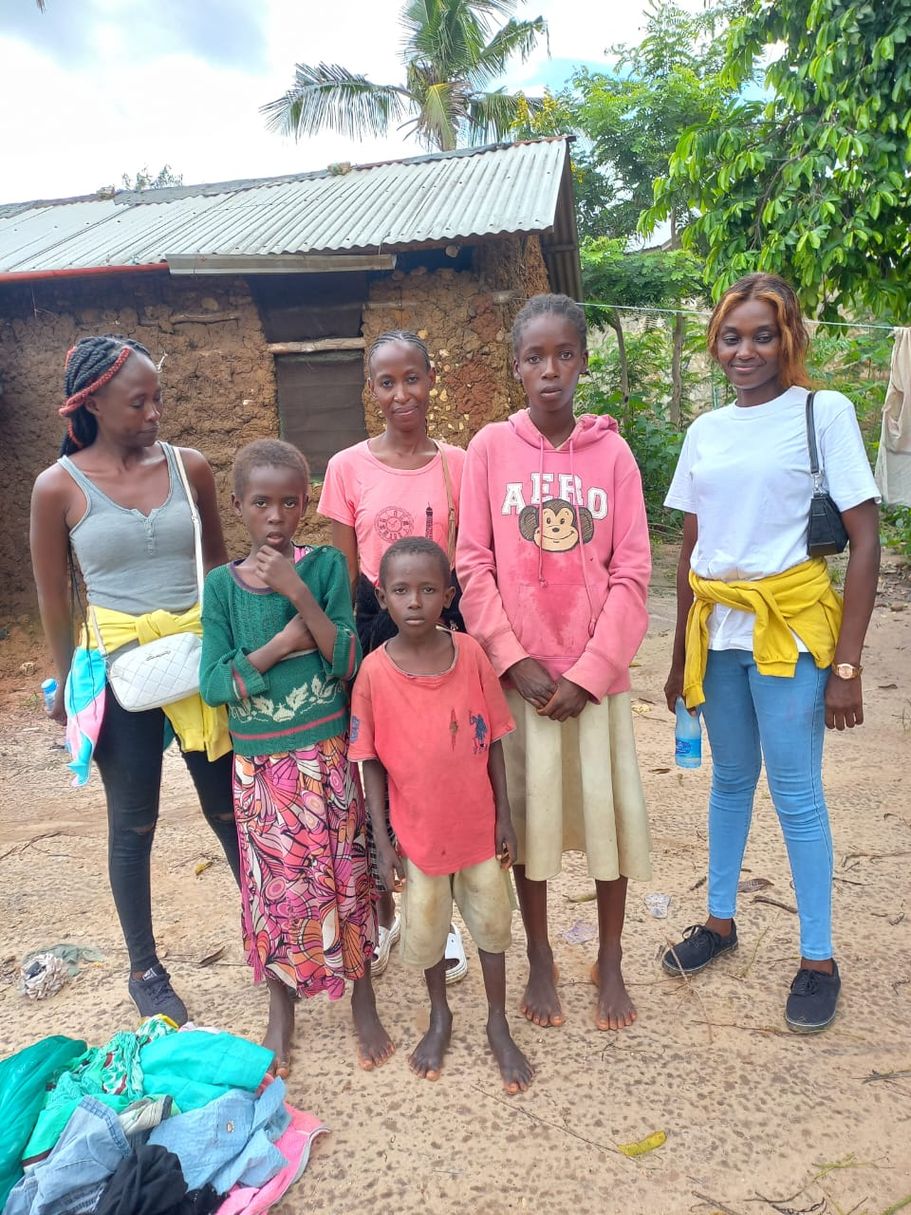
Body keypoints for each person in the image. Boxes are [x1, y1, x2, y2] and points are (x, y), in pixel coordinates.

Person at [661, 272, 881, 1033]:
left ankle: (817, 957)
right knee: (728, 781)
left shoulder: (823, 413)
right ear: (715, 343)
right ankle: (719, 921)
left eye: (763, 334)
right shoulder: (705, 431)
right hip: (718, 632)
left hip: (789, 630)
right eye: (731, 335)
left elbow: (863, 536)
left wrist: (845, 663)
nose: (745, 349)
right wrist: (676, 654)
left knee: (795, 793)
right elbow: (691, 544)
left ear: (789, 339)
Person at [29, 335, 240, 1025]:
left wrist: (230, 646)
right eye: (137, 401)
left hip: (195, 658)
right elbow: (55, 598)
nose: (154, 412)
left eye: (158, 397)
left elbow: (218, 563)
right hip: (118, 671)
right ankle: (145, 969)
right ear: (91, 404)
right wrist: (65, 684)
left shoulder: (190, 468)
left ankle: (272, 932)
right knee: (135, 821)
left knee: (226, 809)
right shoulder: (57, 487)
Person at [457, 293, 653, 1032]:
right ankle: (538, 951)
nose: (549, 370)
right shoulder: (488, 450)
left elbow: (633, 571)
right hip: (522, 684)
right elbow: (472, 563)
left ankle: (608, 955)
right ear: (515, 367)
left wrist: (592, 669)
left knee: (606, 822)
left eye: (563, 354)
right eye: (534, 357)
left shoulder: (612, 454)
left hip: (593, 682)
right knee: (530, 824)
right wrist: (512, 658)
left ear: (582, 361)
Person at [199, 439, 393, 1075]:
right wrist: (282, 643)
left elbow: (346, 658)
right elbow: (212, 682)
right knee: (274, 886)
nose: (276, 515)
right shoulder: (222, 588)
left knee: (346, 874)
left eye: (289, 502)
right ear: (238, 507)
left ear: (306, 503)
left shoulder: (327, 570)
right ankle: (281, 1006)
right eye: (262, 503)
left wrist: (295, 591)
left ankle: (362, 997)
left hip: (327, 754)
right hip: (262, 768)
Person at [349, 537, 534, 1092]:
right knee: (428, 931)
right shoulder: (374, 675)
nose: (414, 601)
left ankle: (497, 1022)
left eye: (429, 590)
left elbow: (496, 740)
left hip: (477, 831)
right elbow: (371, 763)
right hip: (419, 838)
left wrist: (505, 816)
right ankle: (440, 1014)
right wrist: (383, 842)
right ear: (381, 597)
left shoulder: (472, 655)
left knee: (493, 928)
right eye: (401, 590)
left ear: (448, 595)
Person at [318, 330, 469, 979]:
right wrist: (348, 654)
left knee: (437, 776)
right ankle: (379, 915)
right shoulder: (347, 468)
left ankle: (443, 918)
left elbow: (470, 560)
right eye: (387, 382)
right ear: (370, 391)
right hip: (375, 636)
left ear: (431, 379)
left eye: (412, 377)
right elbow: (341, 578)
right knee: (371, 778)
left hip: (442, 638)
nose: (401, 393)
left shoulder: (460, 463)